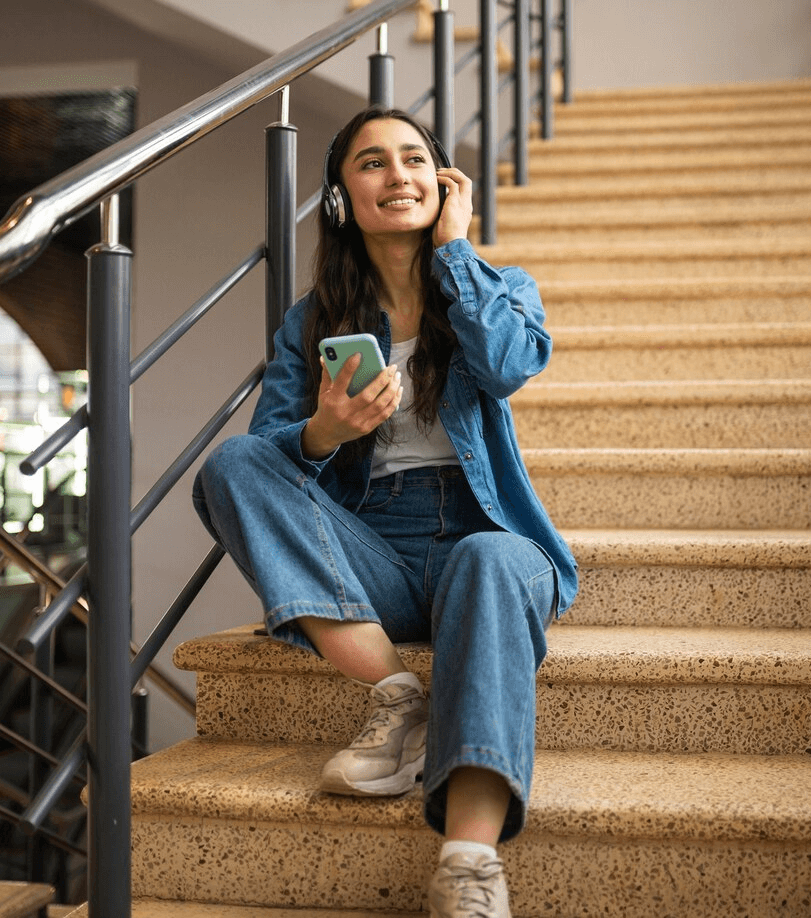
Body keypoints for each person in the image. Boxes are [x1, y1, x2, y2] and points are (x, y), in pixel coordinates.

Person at [193, 106, 577, 918]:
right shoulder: (312, 321)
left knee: (492, 559)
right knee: (230, 462)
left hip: (485, 531)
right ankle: (396, 692)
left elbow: (507, 366)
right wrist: (327, 431)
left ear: (443, 184)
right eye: (372, 163)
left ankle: (469, 864)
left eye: (414, 160)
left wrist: (456, 252)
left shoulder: (500, 288)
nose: (397, 176)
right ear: (340, 197)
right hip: (373, 548)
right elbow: (269, 455)